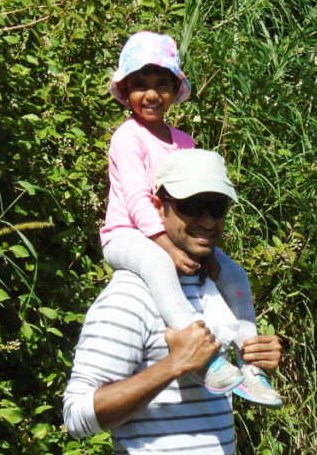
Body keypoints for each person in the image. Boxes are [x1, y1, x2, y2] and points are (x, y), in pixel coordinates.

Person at [63, 149, 284, 455]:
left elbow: (223, 382)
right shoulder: (131, 293)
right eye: (190, 206)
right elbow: (77, 414)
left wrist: (256, 360)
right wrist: (172, 366)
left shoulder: (216, 286)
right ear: (159, 206)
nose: (206, 220)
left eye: (216, 207)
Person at [99, 30, 281, 407]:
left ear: (173, 89)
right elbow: (135, 199)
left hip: (171, 236)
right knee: (158, 265)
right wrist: (165, 245)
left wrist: (203, 252)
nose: (151, 94)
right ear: (126, 90)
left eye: (161, 84)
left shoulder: (184, 141)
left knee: (233, 273)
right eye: (140, 85)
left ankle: (251, 361)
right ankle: (205, 358)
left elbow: (193, 198)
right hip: (128, 236)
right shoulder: (127, 138)